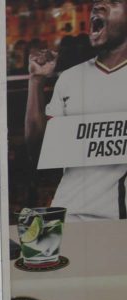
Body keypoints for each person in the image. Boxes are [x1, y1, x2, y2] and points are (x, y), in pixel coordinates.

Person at [25, 1, 127, 221]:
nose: (98, 5)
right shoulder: (70, 78)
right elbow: (38, 150)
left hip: (117, 220)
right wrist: (36, 81)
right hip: (68, 214)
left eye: (111, 1)